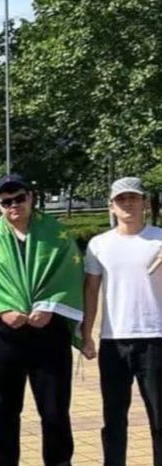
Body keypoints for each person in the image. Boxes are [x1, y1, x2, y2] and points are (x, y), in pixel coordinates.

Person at [0, 174, 84, 466]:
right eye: (5, 201)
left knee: (54, 410)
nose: (13, 205)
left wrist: (50, 306)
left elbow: (70, 274)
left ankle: (60, 463)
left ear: (31, 197)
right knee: (5, 409)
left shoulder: (56, 234)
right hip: (3, 335)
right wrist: (2, 310)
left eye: (19, 198)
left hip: (48, 332)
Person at [82, 177, 162, 466]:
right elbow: (91, 291)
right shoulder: (99, 244)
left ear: (144, 203)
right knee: (114, 419)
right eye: (121, 199)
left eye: (133, 198)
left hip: (155, 338)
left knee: (160, 419)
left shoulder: (159, 239)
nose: (128, 204)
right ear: (111, 206)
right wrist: (86, 334)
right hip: (114, 341)